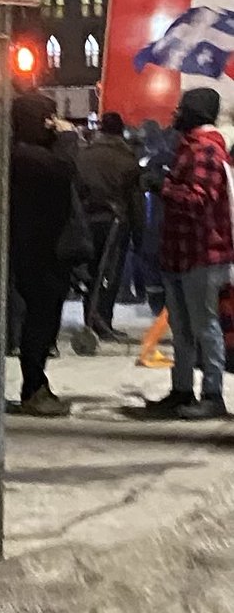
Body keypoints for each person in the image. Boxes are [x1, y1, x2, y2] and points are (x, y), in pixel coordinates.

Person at [0, 93, 74, 417]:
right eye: (47, 117)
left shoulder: (12, 152)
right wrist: (69, 137)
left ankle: (36, 382)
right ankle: (34, 386)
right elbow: (64, 169)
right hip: (42, 245)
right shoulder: (27, 155)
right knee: (42, 317)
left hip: (26, 242)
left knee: (40, 316)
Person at [145, 87, 234, 420]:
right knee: (182, 329)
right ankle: (181, 390)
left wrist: (162, 186)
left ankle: (212, 394)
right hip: (182, 254)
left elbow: (198, 200)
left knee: (205, 326)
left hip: (202, 255)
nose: (176, 113)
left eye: (183, 107)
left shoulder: (206, 151)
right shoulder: (188, 148)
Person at [76, 111, 144, 338]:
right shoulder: (128, 159)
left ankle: (90, 317)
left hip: (86, 221)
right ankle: (103, 320)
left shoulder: (83, 156)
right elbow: (135, 202)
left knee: (89, 271)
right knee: (110, 275)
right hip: (115, 223)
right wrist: (139, 233)